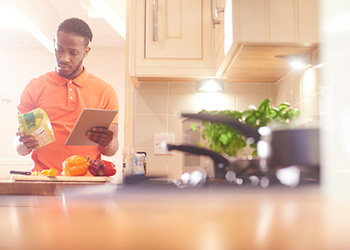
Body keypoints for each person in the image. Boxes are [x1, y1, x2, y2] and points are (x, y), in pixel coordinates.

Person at [14, 17, 119, 174]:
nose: (64, 58)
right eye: (59, 49)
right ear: (54, 43)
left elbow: (111, 150)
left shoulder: (105, 92)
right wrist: (23, 144)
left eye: (73, 53)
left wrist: (108, 142)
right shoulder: (34, 87)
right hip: (44, 180)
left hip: (88, 182)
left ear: (86, 51)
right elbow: (20, 149)